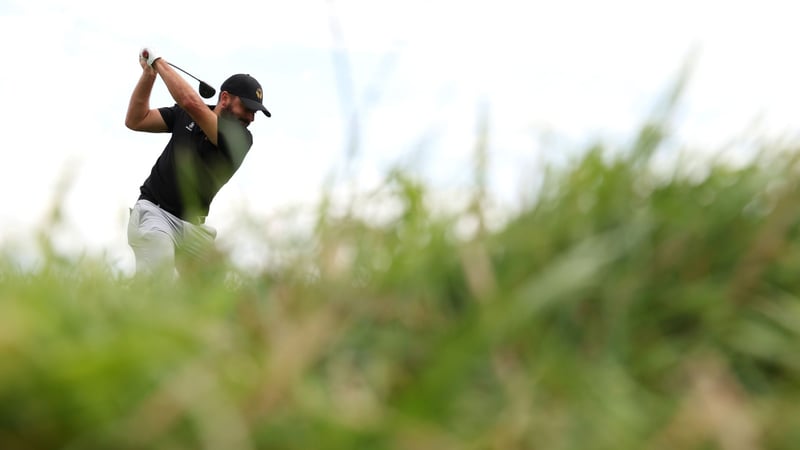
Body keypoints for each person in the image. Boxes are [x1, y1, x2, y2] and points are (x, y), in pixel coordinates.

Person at [124, 47, 270, 276]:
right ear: (224, 98)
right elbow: (136, 119)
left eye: (255, 113)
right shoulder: (185, 115)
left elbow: (191, 103)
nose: (251, 118)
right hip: (154, 213)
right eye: (247, 108)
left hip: (193, 229)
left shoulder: (241, 139)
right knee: (158, 278)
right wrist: (148, 76)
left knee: (213, 295)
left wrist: (158, 62)